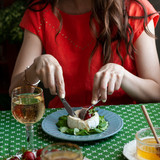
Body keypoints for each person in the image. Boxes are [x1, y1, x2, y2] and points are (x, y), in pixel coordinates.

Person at [9, 0, 160, 108]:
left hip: (123, 121)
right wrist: (35, 68)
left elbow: (156, 92)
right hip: (60, 122)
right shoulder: (40, 11)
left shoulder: (135, 8)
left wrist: (123, 75)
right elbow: (15, 92)